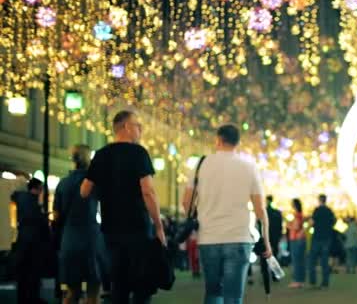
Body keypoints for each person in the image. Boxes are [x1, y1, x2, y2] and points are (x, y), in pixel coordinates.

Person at [80, 110, 165, 304]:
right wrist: (158, 226)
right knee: (142, 285)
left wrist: (106, 193)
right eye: (137, 125)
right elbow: (148, 191)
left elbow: (84, 191)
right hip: (137, 228)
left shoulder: (101, 155)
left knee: (119, 285)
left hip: (111, 230)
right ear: (126, 127)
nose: (140, 129)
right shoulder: (139, 153)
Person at [182, 124, 271, 304]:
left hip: (209, 237)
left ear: (218, 140)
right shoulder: (249, 166)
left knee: (213, 293)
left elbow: (186, 202)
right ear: (237, 142)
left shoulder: (201, 164)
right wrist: (266, 241)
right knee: (233, 296)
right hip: (238, 236)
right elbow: (260, 209)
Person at [54, 144, 101, 304]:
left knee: (71, 292)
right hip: (90, 239)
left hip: (69, 239)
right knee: (93, 291)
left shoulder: (63, 183)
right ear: (89, 160)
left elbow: (56, 215)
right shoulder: (94, 182)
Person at [11, 178, 46, 304]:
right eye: (41, 189)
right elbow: (39, 222)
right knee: (33, 272)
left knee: (23, 273)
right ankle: (33, 298)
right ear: (36, 188)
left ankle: (22, 299)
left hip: (22, 240)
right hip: (33, 242)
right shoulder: (33, 202)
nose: (42, 191)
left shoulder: (20, 198)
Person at [308, 194, 336, 289]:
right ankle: (325, 283)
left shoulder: (317, 210)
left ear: (319, 200)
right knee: (324, 261)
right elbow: (333, 222)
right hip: (327, 238)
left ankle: (313, 281)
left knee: (313, 260)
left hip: (317, 237)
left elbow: (311, 222)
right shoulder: (329, 211)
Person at [287, 198, 306, 288]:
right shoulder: (301, 215)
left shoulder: (297, 215)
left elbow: (296, 227)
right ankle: (301, 280)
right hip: (301, 239)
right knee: (300, 261)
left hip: (295, 239)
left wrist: (288, 225)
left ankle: (296, 281)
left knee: (296, 261)